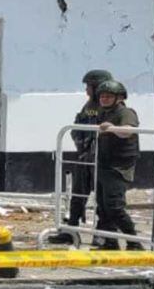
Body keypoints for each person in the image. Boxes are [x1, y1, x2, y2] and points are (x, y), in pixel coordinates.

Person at [55, 69, 113, 243]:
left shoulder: (109, 107)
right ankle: (71, 230)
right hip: (84, 156)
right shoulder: (88, 106)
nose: (87, 90)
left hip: (102, 159)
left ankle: (102, 234)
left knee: (103, 200)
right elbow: (78, 127)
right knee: (77, 196)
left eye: (89, 86)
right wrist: (81, 147)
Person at [94, 80, 141, 250]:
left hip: (119, 168)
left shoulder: (126, 112)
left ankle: (134, 242)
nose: (104, 99)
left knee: (115, 207)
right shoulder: (104, 113)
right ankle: (110, 241)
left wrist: (112, 128)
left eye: (109, 96)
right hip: (104, 165)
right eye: (102, 96)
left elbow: (127, 131)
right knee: (103, 208)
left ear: (119, 98)